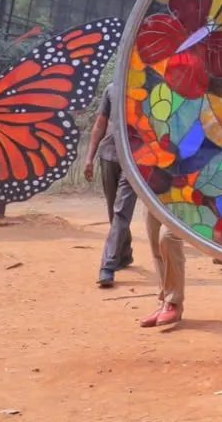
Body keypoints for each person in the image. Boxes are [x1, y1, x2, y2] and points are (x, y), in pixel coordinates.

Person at [82, 89, 136, 288]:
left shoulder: (148, 84)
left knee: (121, 211)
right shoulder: (112, 89)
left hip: (135, 159)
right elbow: (101, 123)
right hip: (109, 155)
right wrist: (89, 158)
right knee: (114, 210)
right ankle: (124, 253)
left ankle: (108, 266)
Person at [140, 211, 186, 327]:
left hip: (181, 196)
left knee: (168, 238)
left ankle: (173, 301)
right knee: (156, 245)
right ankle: (164, 302)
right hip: (151, 195)